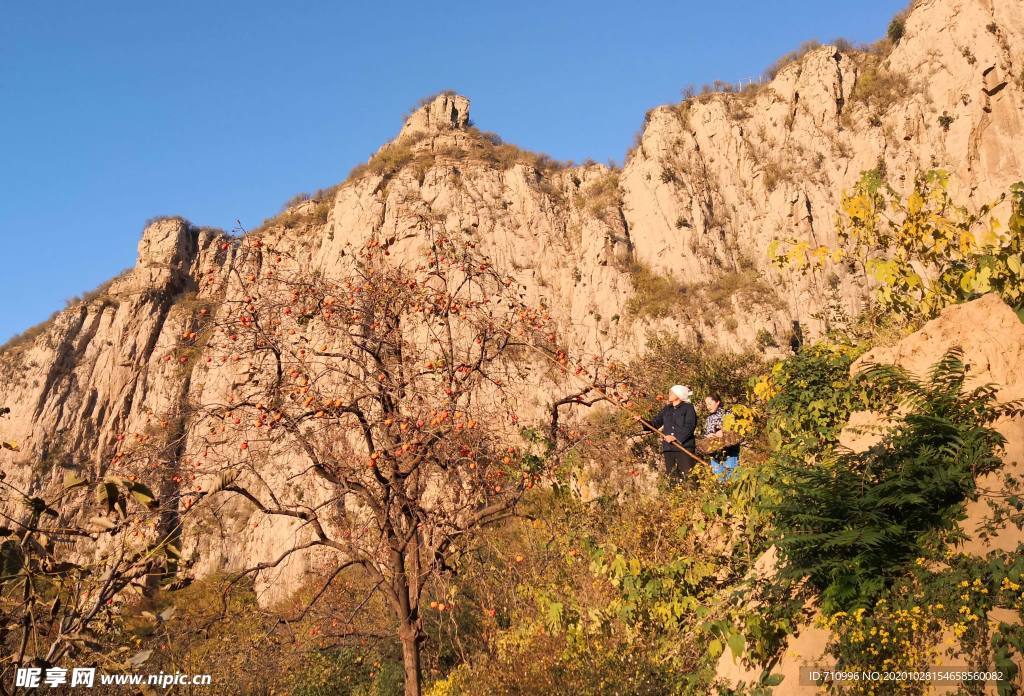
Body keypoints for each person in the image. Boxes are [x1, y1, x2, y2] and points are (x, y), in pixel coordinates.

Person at [645, 385, 698, 480]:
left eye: (672, 393)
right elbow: (655, 424)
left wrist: (676, 437)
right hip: (669, 448)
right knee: (672, 478)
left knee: (689, 477)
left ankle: (694, 494)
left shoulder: (688, 408)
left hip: (684, 447)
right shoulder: (666, 409)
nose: (669, 394)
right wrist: (642, 420)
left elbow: (690, 426)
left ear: (679, 394)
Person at [703, 394, 740, 479]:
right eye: (706, 404)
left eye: (710, 403)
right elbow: (706, 433)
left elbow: (735, 428)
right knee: (719, 478)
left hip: (730, 450)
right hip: (715, 452)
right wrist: (709, 435)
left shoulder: (728, 412)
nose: (708, 407)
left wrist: (723, 431)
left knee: (732, 476)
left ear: (717, 402)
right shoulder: (709, 418)